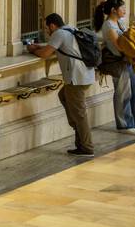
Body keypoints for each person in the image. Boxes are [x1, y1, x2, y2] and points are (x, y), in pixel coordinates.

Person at [28, 13, 96, 156]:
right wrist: (40, 46)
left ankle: (87, 147)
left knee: (79, 114)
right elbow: (56, 46)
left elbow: (45, 54)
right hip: (85, 74)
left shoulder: (58, 33)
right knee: (64, 96)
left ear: (52, 25)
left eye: (47, 28)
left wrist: (34, 49)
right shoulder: (70, 28)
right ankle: (78, 135)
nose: (47, 31)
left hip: (76, 79)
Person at [95, 0, 135, 136]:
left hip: (130, 61)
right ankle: (125, 125)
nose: (124, 10)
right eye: (122, 8)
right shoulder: (108, 26)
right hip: (119, 62)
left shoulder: (120, 22)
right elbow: (120, 46)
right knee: (123, 94)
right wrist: (134, 40)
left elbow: (128, 38)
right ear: (113, 10)